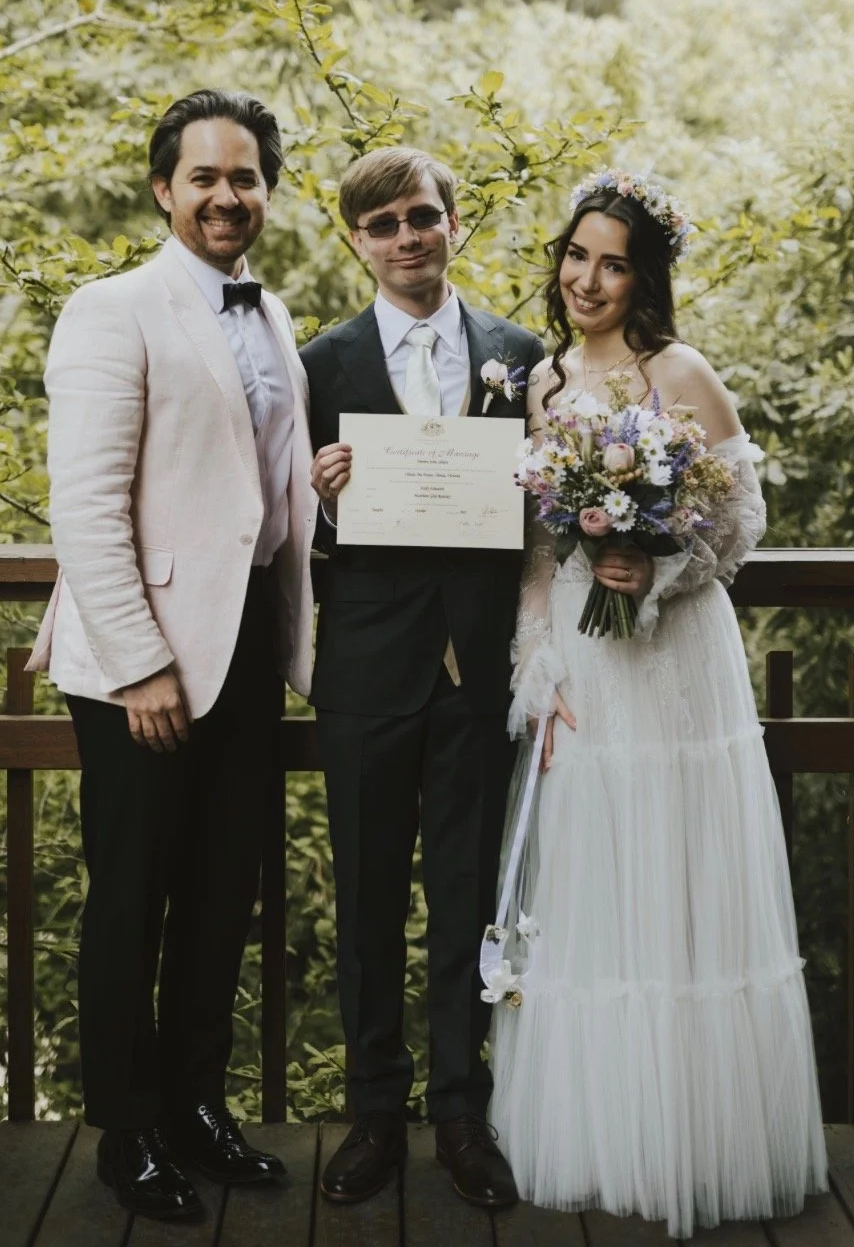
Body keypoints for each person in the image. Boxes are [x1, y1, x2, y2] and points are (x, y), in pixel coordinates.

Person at [488, 171, 827, 1238]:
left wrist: (657, 563)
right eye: (575, 255)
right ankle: (603, 1132)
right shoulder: (541, 382)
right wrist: (538, 666)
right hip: (589, 675)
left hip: (674, 657)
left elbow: (741, 520)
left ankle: (696, 1136)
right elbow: (538, 554)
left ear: (645, 276)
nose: (585, 279)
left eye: (612, 261)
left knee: (679, 879)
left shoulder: (677, 372)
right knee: (594, 883)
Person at [27, 89, 316, 1222]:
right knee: (132, 894)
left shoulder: (275, 315)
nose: (225, 196)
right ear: (162, 190)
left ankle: (197, 1104)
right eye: (202, 176)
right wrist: (144, 665)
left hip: (246, 643)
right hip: (139, 664)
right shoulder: (112, 310)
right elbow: (87, 508)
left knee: (219, 892)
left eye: (243, 177)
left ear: (265, 191)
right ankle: (127, 1130)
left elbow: (257, 486)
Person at [301, 146, 545, 1209]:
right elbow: (289, 534)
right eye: (383, 223)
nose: (407, 237)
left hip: (476, 668)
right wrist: (320, 494)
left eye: (422, 216)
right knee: (363, 899)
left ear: (452, 223)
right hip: (363, 667)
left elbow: (545, 515)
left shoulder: (520, 355)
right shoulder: (321, 363)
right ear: (355, 241)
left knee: (467, 895)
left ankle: (458, 1110)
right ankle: (371, 1116)